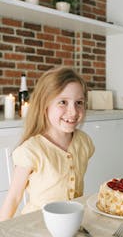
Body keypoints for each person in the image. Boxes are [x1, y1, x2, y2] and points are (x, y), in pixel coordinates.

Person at [0, 66, 95, 221]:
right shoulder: (31, 150)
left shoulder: (84, 142)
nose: (73, 111)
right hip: (38, 226)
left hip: (73, 222)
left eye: (79, 102)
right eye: (63, 102)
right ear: (45, 105)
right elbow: (14, 198)